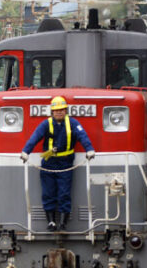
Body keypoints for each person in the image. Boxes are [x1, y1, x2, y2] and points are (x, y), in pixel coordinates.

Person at [20, 96, 95, 231]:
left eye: (61, 110)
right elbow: (35, 137)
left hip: (66, 164)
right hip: (48, 163)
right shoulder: (46, 124)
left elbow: (82, 135)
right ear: (52, 112)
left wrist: (89, 149)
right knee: (48, 193)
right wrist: (26, 151)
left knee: (64, 193)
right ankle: (51, 222)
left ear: (66, 111)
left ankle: (63, 223)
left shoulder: (73, 123)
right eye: (56, 110)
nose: (59, 112)